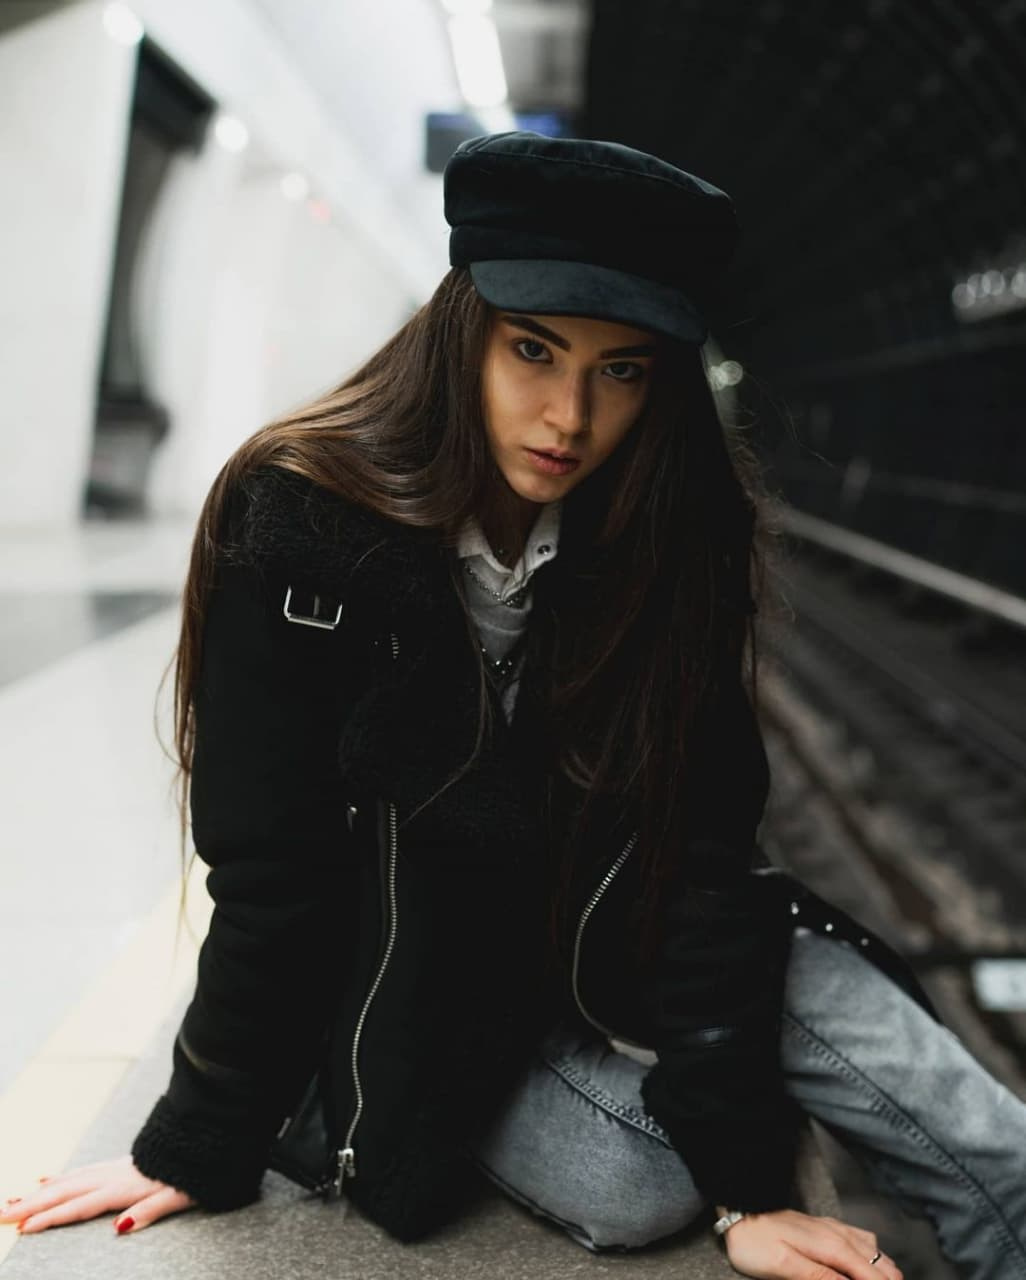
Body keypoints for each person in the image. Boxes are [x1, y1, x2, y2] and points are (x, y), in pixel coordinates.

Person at [3, 132, 1024, 1280]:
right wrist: (202, 1130)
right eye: (533, 349)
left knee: (1002, 1154)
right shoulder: (301, 522)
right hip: (419, 984)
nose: (570, 415)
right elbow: (273, 863)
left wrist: (748, 1187)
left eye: (623, 368)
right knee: (637, 1182)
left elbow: (702, 855)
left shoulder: (668, 538)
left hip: (609, 946)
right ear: (460, 329)